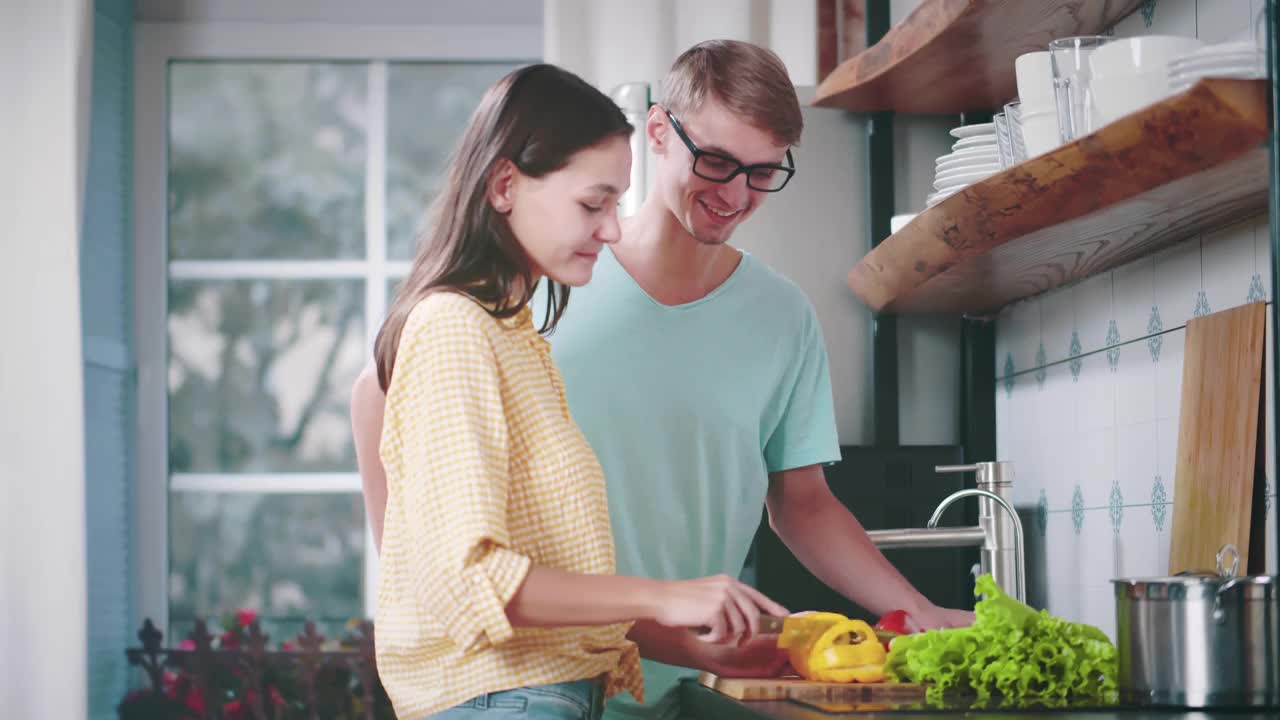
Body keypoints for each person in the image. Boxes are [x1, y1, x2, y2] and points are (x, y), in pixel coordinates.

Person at [362, 63, 788, 720]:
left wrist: (692, 647)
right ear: (505, 184)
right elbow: (472, 580)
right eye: (593, 204)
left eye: (616, 203)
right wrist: (666, 595)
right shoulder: (453, 327)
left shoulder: (516, 338)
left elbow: (534, 592)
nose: (612, 229)